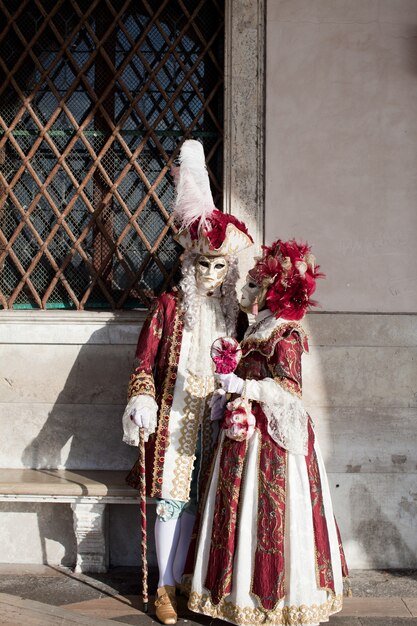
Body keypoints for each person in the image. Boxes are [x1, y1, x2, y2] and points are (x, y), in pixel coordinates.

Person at [122, 140, 253, 625]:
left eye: (220, 266)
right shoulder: (169, 307)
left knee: (203, 498)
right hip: (177, 417)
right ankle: (164, 587)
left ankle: (191, 581)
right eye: (204, 265)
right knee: (171, 501)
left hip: (218, 419)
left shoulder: (233, 315)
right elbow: (143, 362)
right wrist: (141, 401)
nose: (212, 275)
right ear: (189, 263)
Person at [188, 239, 349, 626]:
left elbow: (290, 391)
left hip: (270, 440)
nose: (243, 291)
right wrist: (229, 389)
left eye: (252, 286)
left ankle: (275, 600)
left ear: (270, 291)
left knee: (270, 511)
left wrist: (244, 388)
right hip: (245, 431)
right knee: (239, 508)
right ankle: (236, 592)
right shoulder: (261, 327)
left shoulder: (286, 334)